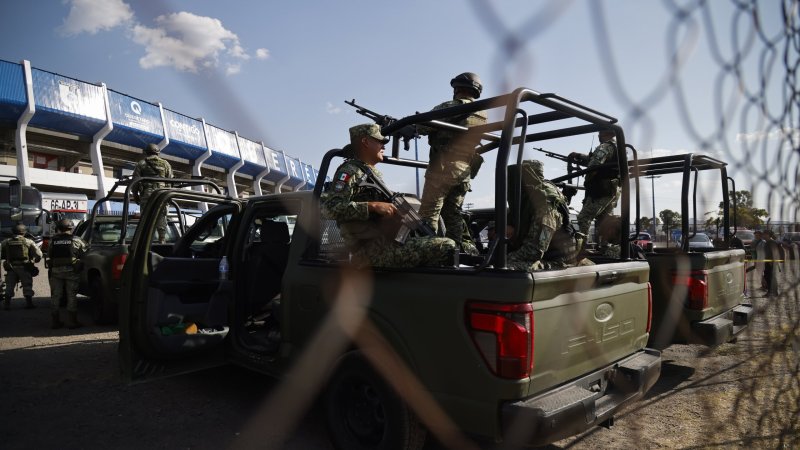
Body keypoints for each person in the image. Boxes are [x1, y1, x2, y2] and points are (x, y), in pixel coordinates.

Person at [322, 124, 457, 268]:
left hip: (385, 244)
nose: (383, 146)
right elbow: (330, 208)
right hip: (369, 252)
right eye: (379, 141)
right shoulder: (349, 171)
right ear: (365, 142)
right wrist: (372, 207)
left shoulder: (371, 173)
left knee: (443, 239)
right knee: (446, 246)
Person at [417, 72, 488, 254]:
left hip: (442, 168)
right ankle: (458, 252)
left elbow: (422, 125)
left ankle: (430, 253)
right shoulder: (482, 113)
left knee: (429, 213)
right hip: (464, 170)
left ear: (457, 88)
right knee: (453, 213)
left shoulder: (450, 107)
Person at [506, 160, 579, 271]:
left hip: (559, 263)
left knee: (504, 266)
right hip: (545, 258)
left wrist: (505, 258)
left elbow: (535, 251)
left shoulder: (545, 206)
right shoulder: (531, 201)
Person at [571, 129, 621, 244]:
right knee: (606, 221)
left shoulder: (604, 147)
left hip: (601, 190)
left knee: (583, 218)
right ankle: (607, 247)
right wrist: (579, 156)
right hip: (613, 189)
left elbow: (594, 166)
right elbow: (598, 161)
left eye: (600, 133)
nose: (598, 135)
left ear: (605, 133)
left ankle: (580, 248)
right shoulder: (618, 147)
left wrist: (588, 181)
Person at [46, 219, 89, 329]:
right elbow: (86, 251)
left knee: (56, 296)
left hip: (56, 271)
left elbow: (49, 254)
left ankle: (55, 322)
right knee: (71, 296)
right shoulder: (77, 240)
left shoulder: (52, 240)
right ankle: (72, 322)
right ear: (71, 228)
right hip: (71, 272)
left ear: (59, 228)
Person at [132, 143, 174, 243]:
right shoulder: (166, 164)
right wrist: (168, 195)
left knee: (145, 218)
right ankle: (162, 240)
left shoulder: (141, 163)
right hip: (162, 193)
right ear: (158, 153)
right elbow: (171, 181)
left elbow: (135, 181)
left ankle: (145, 242)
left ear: (146, 152)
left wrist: (136, 196)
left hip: (147, 193)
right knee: (161, 215)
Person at [1, 224, 43, 310]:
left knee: (9, 286)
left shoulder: (6, 242)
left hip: (11, 267)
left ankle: (7, 304)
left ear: (13, 231)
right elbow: (39, 254)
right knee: (27, 285)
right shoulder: (28, 241)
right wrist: (35, 260)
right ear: (24, 232)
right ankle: (29, 303)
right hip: (25, 267)